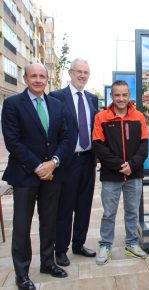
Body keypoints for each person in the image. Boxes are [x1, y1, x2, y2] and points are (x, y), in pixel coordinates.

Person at [2, 63, 69, 290]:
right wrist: (38, 166)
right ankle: (22, 274)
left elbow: (66, 139)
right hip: (24, 175)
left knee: (49, 223)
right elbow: (13, 141)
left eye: (42, 76)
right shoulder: (12, 104)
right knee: (21, 226)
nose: (38, 80)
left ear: (47, 79)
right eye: (34, 76)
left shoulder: (58, 106)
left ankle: (48, 263)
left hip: (53, 174)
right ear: (25, 78)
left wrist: (54, 163)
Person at [92, 80, 149, 265]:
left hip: (134, 174)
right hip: (111, 175)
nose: (121, 98)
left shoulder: (138, 116)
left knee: (132, 212)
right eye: (117, 95)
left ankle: (132, 244)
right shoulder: (101, 117)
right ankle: (106, 245)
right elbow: (98, 147)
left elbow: (144, 145)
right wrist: (119, 165)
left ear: (129, 95)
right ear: (111, 96)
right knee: (109, 212)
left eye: (124, 94)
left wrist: (131, 165)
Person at [49, 58, 99, 266]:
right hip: (67, 162)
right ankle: (61, 249)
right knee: (65, 207)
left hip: (88, 161)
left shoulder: (92, 98)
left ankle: (79, 244)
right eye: (78, 71)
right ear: (70, 73)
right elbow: (53, 132)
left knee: (84, 205)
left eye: (86, 72)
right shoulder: (56, 97)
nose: (82, 76)